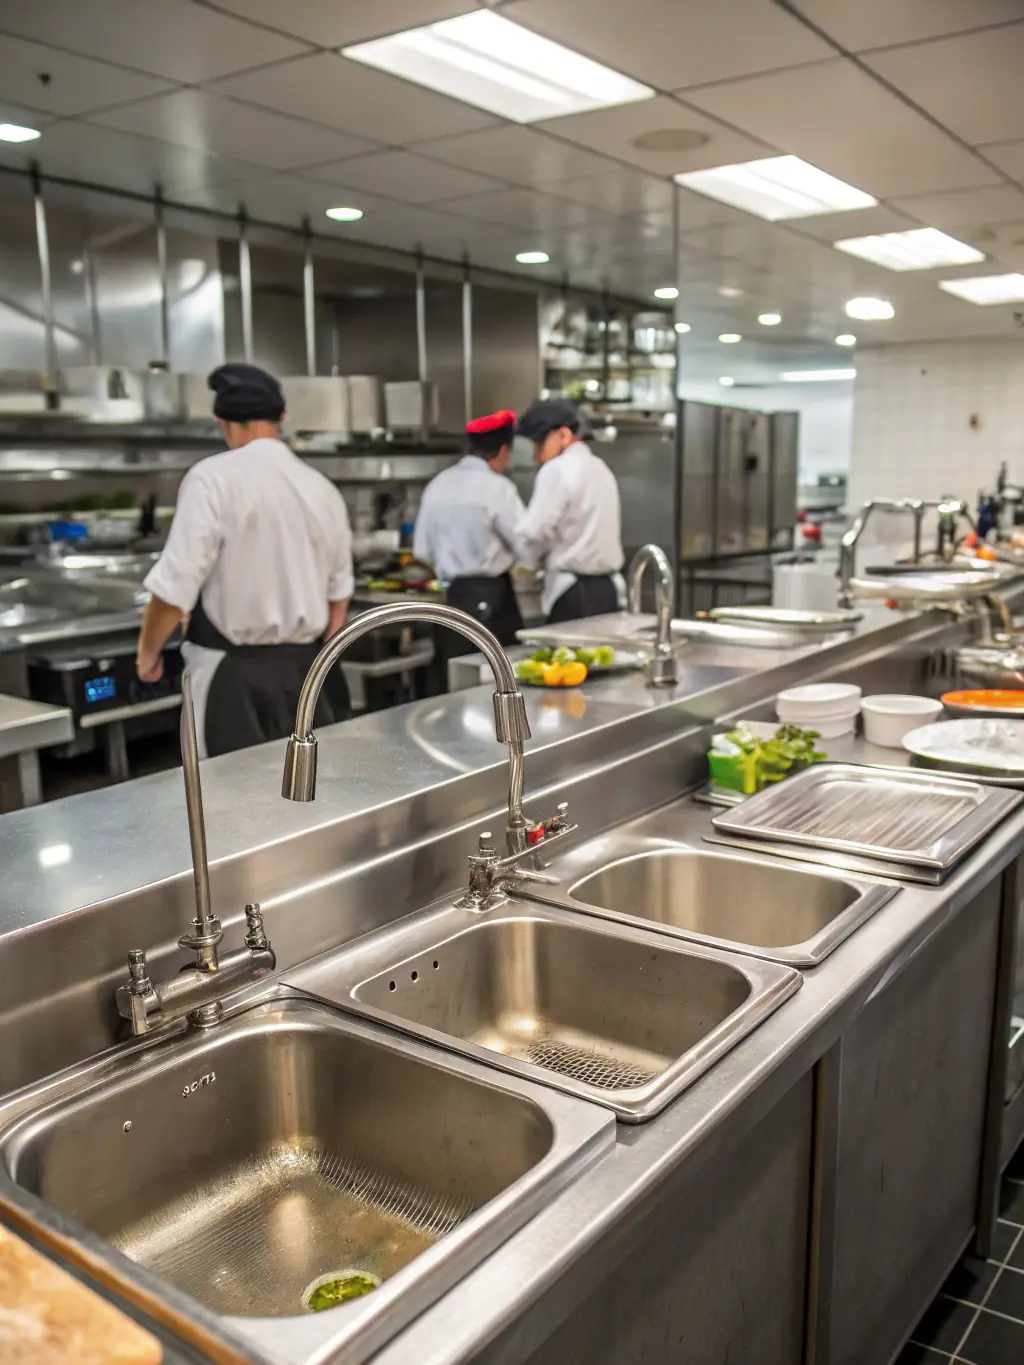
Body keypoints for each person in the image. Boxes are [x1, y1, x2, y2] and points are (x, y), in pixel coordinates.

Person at [136, 362, 353, 759]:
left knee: (231, 792)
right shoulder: (321, 487)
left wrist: (148, 656)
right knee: (310, 786)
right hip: (309, 672)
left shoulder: (211, 478)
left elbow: (175, 585)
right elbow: (339, 599)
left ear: (224, 422)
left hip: (232, 681)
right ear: (280, 417)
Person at [414, 409, 526, 689]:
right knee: (499, 683)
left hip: (452, 598)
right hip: (494, 599)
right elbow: (525, 542)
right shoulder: (498, 487)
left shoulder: (438, 484)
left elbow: (422, 551)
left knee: (456, 682)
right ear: (503, 450)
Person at [515, 398, 624, 623]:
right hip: (608, 590)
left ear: (563, 434)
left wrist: (526, 563)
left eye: (539, 444)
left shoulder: (557, 469)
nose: (536, 455)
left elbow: (535, 531)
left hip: (574, 592)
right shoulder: (600, 467)